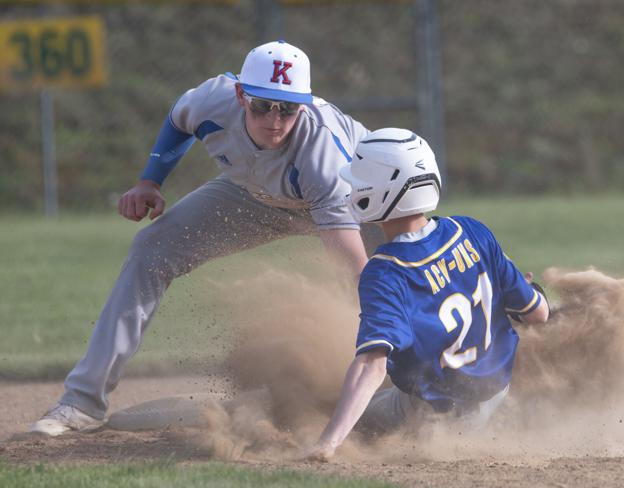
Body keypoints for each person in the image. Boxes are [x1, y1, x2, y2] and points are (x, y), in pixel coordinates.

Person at [30, 40, 381, 436]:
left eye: (288, 107)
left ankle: (404, 393)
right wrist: (149, 182)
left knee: (397, 282)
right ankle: (82, 403)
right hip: (254, 197)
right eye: (263, 104)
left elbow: (351, 265)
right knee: (151, 249)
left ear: (305, 104)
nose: (275, 119)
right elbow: (179, 120)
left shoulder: (323, 159)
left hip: (365, 204)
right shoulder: (212, 101)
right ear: (239, 95)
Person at [306, 128, 550, 461]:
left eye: (357, 181)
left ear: (377, 191)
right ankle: (515, 413)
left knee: (352, 419)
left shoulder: (385, 271)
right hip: (498, 389)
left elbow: (370, 366)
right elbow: (538, 314)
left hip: (440, 418)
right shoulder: (472, 230)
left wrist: (328, 442)